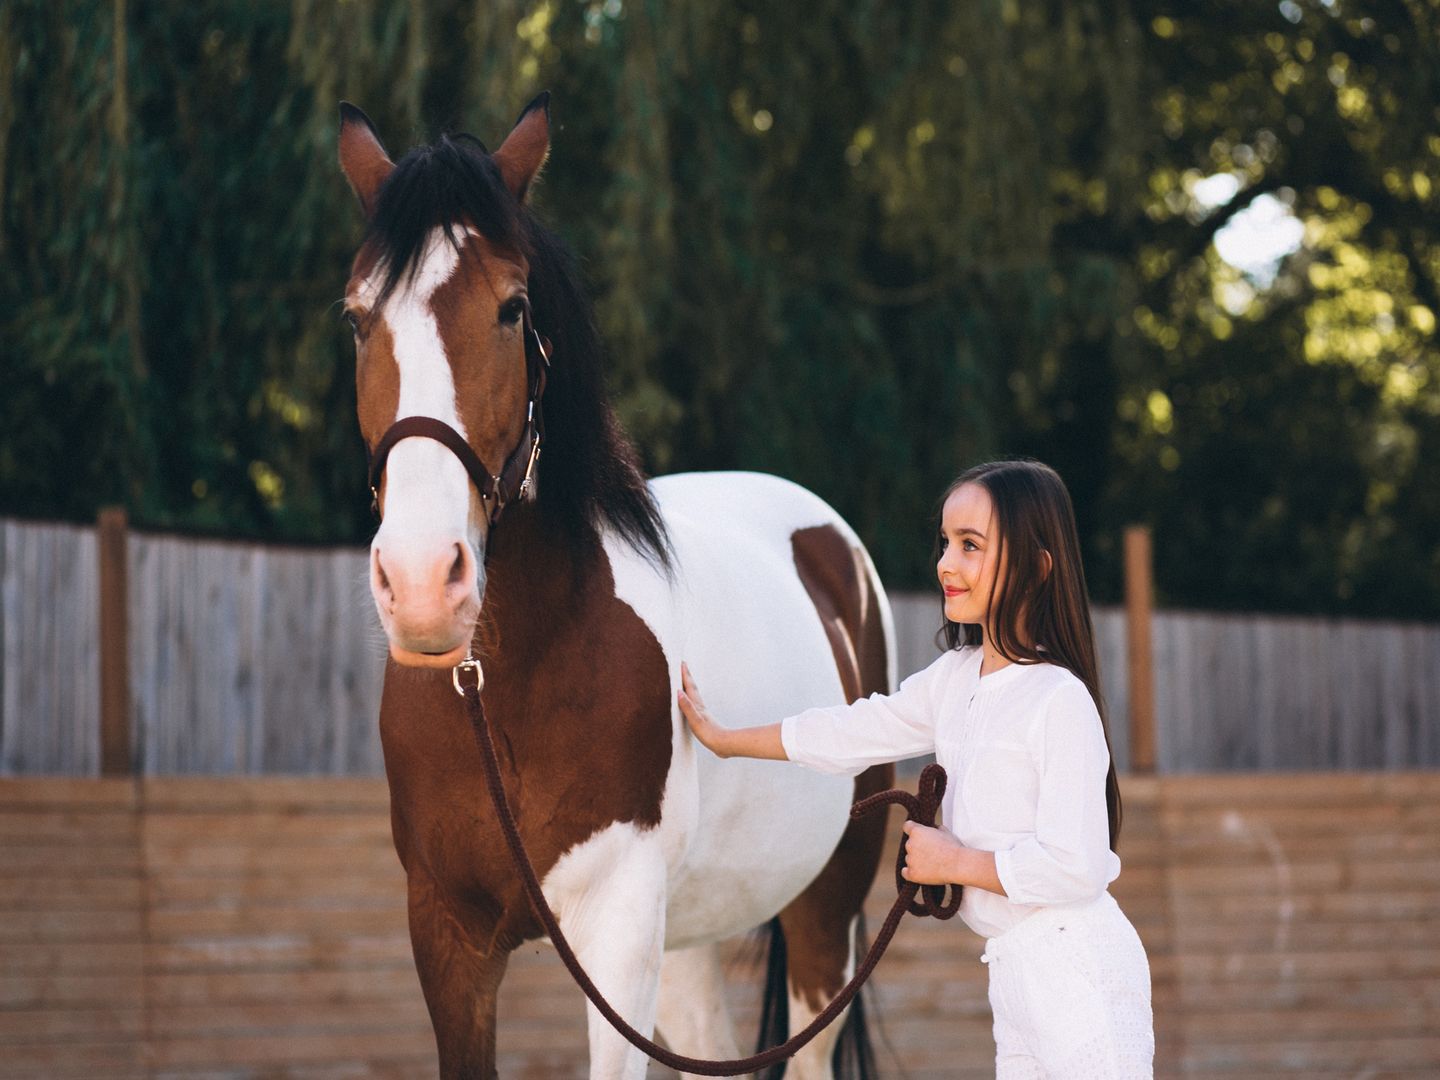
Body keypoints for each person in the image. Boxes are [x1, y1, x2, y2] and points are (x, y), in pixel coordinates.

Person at [678, 459, 1155, 1079]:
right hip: (1013, 970)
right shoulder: (956, 680)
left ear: (1037, 568)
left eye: (971, 546)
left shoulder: (1058, 700)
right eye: (946, 543)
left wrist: (953, 862)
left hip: (1079, 970)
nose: (946, 564)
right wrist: (724, 739)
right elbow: (850, 730)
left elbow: (1078, 866)